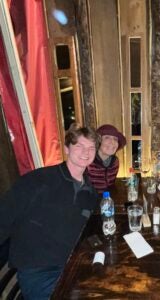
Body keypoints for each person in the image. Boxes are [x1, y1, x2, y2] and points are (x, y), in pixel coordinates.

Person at [0, 124, 99, 299]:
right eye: (79, 146)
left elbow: (88, 231)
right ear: (67, 149)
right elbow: (4, 217)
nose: (86, 152)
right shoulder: (38, 181)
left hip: (73, 265)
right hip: (39, 270)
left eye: (91, 147)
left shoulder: (90, 193)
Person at [87, 124, 126, 194]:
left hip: (108, 200)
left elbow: (111, 186)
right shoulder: (87, 161)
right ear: (98, 141)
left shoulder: (115, 162)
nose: (112, 142)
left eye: (115, 139)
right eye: (107, 138)